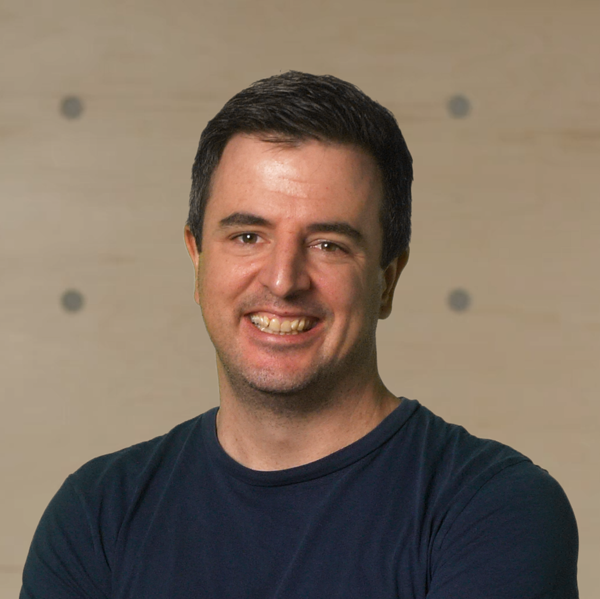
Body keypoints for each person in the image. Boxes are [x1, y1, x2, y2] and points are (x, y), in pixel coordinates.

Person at [21, 71, 578, 598]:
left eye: (328, 245)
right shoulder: (96, 515)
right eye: (247, 236)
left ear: (387, 280)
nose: (283, 280)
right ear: (197, 259)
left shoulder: (494, 508)